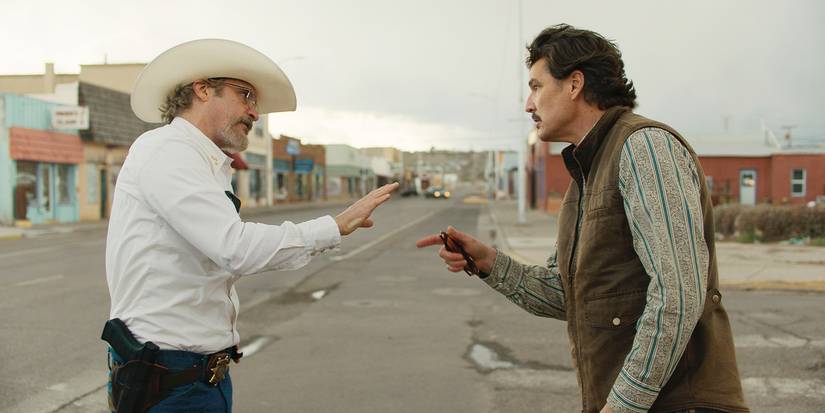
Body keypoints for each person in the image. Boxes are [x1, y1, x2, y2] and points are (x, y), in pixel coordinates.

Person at [417, 24, 748, 413]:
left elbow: (678, 294)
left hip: (681, 403)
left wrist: (623, 404)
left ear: (575, 84)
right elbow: (570, 298)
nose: (528, 104)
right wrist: (490, 263)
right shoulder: (583, 181)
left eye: (537, 86)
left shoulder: (645, 148)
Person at [104, 38, 398, 412]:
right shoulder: (168, 151)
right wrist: (333, 226)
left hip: (194, 376)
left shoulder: (204, 162)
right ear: (203, 89)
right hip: (168, 379)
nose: (254, 113)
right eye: (245, 95)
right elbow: (235, 248)